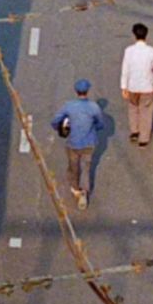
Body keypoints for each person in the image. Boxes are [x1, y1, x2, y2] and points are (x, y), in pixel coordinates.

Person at [51, 79, 104, 210]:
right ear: (87, 91)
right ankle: (84, 192)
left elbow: (55, 121)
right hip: (89, 143)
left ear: (76, 91)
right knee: (86, 168)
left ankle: (75, 188)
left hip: (73, 143)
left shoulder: (69, 106)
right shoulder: (94, 107)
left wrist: (60, 128)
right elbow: (100, 124)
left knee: (73, 167)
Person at [120, 23, 153, 146]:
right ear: (146, 36)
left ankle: (134, 131)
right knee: (146, 112)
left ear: (134, 36)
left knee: (133, 108)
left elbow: (125, 69)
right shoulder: (152, 51)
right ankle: (144, 138)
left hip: (132, 86)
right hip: (147, 88)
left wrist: (124, 86)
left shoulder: (129, 51)